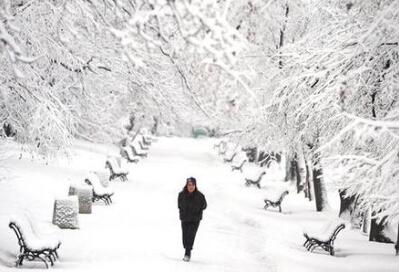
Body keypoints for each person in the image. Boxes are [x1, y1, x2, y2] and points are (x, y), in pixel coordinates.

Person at [178, 177, 207, 262]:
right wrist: (183, 211)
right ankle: (187, 247)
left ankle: (187, 253)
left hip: (195, 219)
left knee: (191, 235)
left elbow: (204, 205)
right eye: (189, 185)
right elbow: (179, 205)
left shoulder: (200, 196)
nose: (191, 187)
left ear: (195, 185)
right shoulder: (181, 194)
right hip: (185, 218)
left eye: (192, 185)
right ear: (186, 185)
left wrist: (198, 210)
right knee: (185, 237)